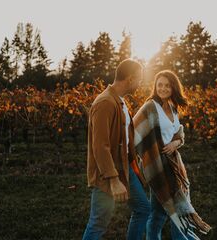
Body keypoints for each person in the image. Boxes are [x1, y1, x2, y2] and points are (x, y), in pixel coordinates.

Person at [133, 70, 212, 240]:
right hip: (158, 167)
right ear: (155, 86)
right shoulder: (150, 107)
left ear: (173, 88)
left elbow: (179, 134)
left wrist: (175, 144)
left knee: (159, 214)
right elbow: (134, 130)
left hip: (174, 166)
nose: (162, 88)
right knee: (172, 214)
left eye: (167, 85)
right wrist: (148, 154)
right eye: (159, 85)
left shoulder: (173, 107)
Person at [82, 59, 150, 240]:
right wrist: (113, 180)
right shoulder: (105, 103)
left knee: (143, 208)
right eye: (139, 79)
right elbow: (100, 147)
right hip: (109, 173)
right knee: (98, 223)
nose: (140, 83)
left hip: (124, 168)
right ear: (129, 78)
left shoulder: (119, 100)